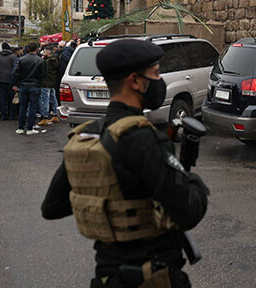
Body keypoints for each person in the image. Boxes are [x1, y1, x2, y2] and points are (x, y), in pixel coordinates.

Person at [41, 39, 209, 287]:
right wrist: (193, 181)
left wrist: (106, 203)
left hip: (108, 276)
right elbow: (187, 211)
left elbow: (52, 207)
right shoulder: (143, 138)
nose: (159, 81)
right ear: (135, 81)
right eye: (155, 74)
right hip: (153, 277)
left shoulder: (88, 135)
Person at [12, 42, 44, 136]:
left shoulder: (21, 60)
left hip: (23, 85)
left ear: (28, 49)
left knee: (23, 106)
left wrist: (15, 84)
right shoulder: (40, 60)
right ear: (37, 49)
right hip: (35, 85)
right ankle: (30, 127)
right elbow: (42, 74)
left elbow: (15, 73)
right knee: (33, 107)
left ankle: (20, 127)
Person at [37, 45, 60, 128]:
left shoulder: (46, 62)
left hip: (45, 82)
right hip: (52, 82)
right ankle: (55, 115)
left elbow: (43, 72)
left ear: (47, 52)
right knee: (53, 98)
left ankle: (45, 117)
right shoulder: (55, 60)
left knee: (45, 99)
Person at [0, 42, 17, 120]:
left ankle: (3, 114)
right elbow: (16, 69)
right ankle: (11, 114)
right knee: (11, 98)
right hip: (11, 80)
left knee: (2, 98)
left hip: (0, 79)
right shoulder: (13, 57)